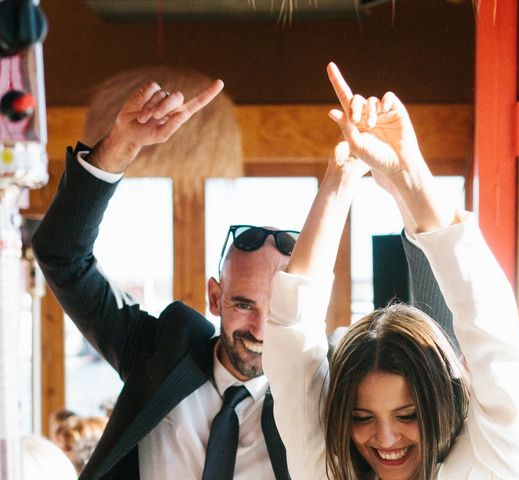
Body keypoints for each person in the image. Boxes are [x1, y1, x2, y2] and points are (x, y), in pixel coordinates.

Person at [32, 72, 454, 480]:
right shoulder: (161, 351)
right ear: (215, 297)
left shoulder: (323, 395)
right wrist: (121, 144)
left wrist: (404, 182)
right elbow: (61, 256)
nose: (259, 329)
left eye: (275, 314)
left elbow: (434, 357)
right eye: (243, 304)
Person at [263, 63, 519, 479]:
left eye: (408, 414)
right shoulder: (330, 470)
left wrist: (409, 174)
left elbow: (495, 334)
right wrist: (340, 178)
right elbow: (292, 340)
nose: (385, 438)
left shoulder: (496, 462)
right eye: (362, 418)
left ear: (439, 400)